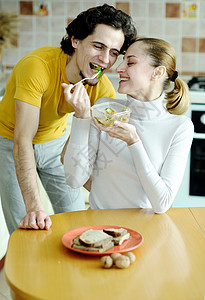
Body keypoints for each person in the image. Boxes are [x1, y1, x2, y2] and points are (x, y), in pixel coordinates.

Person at [0, 4, 137, 234]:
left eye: (114, 52)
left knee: (77, 222)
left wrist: (115, 200)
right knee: (26, 228)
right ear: (76, 41)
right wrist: (34, 208)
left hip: (55, 143)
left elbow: (89, 157)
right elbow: (22, 140)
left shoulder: (103, 91)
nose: (105, 59)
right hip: (10, 142)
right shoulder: (37, 67)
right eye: (98, 46)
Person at [63, 37, 194, 213]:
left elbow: (162, 204)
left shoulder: (180, 127)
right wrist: (81, 117)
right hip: (98, 228)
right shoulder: (106, 110)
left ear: (157, 72)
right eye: (122, 60)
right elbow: (74, 180)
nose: (118, 68)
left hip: (144, 231)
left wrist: (134, 142)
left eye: (130, 62)